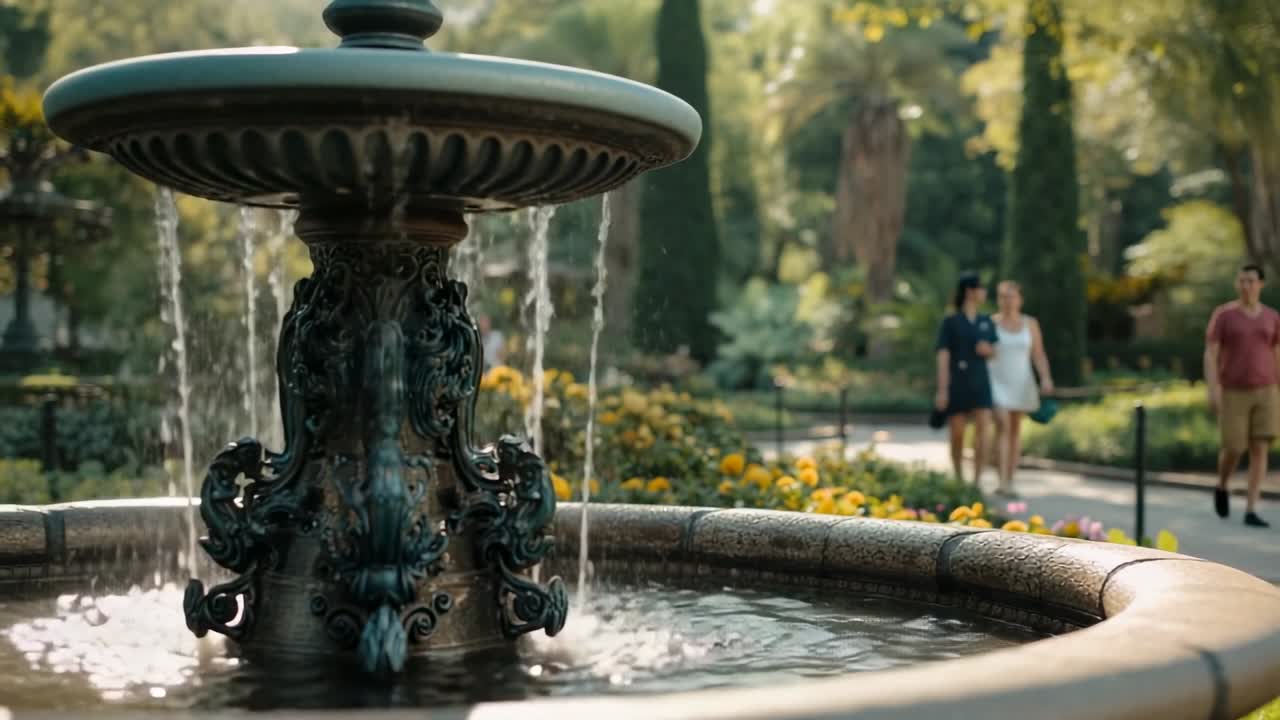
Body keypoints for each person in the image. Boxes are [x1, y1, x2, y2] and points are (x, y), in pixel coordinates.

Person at [1205, 264, 1277, 528]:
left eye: (1251, 281)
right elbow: (1211, 354)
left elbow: (1276, 354)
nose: (1246, 285)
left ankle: (1251, 508)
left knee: (1260, 448)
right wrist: (1213, 388)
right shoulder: (1224, 316)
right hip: (1233, 391)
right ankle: (1222, 485)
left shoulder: (1272, 317)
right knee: (1234, 447)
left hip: (1267, 390)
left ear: (1261, 284)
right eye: (1242, 281)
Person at [988, 281, 1054, 496]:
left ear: (1020, 299)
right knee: (1003, 427)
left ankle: (1011, 479)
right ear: (999, 299)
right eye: (1003, 297)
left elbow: (1038, 353)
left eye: (1012, 296)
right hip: (997, 383)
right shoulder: (991, 323)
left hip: (1022, 382)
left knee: (1015, 432)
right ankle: (1002, 481)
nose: (1008, 301)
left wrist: (1045, 378)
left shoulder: (1030, 324)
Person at [935, 272, 998, 485]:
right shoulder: (951, 322)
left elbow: (996, 350)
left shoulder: (986, 321)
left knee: (983, 431)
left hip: (981, 382)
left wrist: (988, 350)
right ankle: (959, 479)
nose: (984, 292)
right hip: (958, 382)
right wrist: (942, 390)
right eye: (981, 288)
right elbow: (943, 356)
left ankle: (977, 481)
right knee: (958, 433)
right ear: (970, 291)